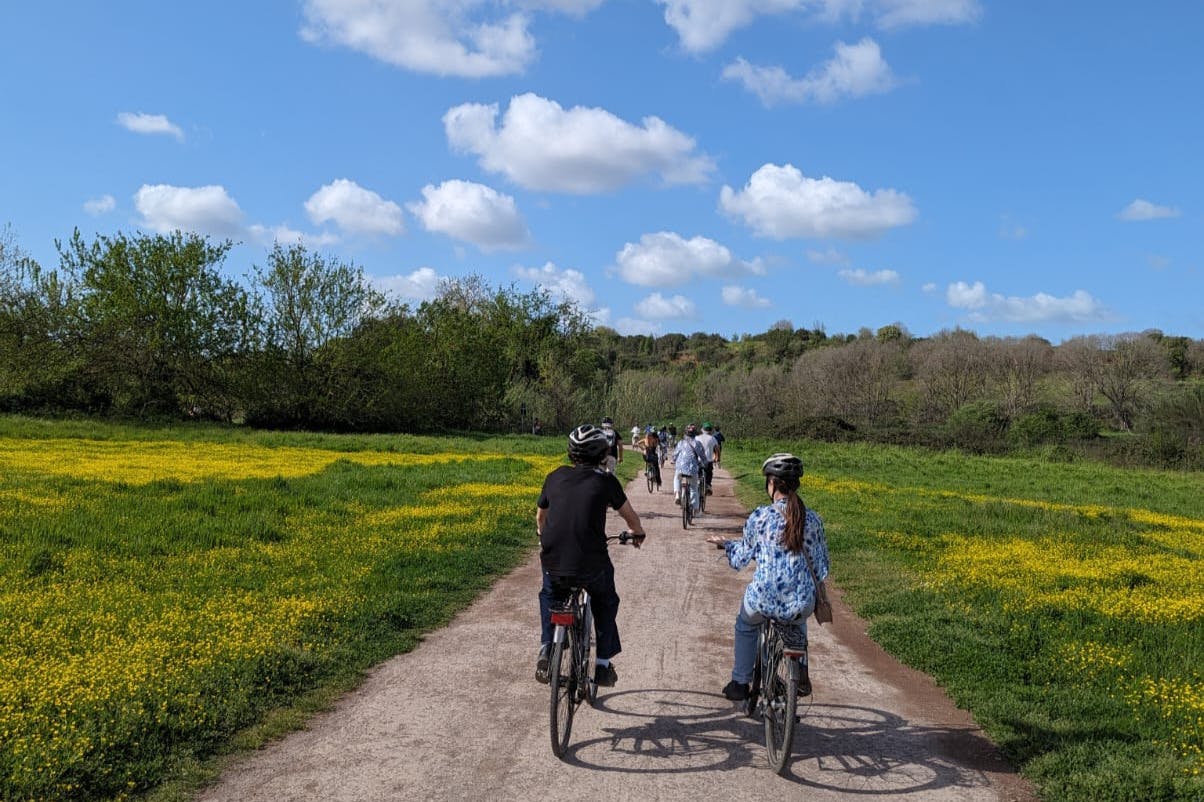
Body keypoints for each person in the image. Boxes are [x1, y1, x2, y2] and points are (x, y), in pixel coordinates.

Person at [706, 452, 829, 701]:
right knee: (797, 617)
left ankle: (740, 681)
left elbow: (742, 557)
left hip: (763, 599)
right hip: (801, 603)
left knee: (746, 625)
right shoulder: (813, 519)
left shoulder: (761, 517)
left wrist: (727, 545)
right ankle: (800, 668)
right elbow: (821, 565)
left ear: (771, 484)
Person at [536, 424, 647, 687]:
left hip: (552, 559)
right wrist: (637, 533)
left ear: (571, 453)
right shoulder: (606, 481)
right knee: (606, 601)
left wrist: (544, 537)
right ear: (602, 453)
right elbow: (630, 517)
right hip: (591, 564)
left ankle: (546, 647)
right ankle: (603, 665)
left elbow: (541, 517)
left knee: (550, 595)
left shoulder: (554, 476)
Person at [672, 424, 706, 513]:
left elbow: (675, 454)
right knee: (693, 488)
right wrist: (705, 463)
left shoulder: (681, 442)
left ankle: (677, 494)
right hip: (692, 469)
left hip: (680, 468)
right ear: (695, 434)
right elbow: (702, 456)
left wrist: (674, 460)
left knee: (677, 478)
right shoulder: (697, 443)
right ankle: (695, 507)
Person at [696, 422, 719, 495]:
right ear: (711, 430)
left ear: (702, 429)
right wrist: (717, 458)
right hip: (708, 461)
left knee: (697, 473)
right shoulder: (713, 438)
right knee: (709, 473)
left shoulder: (697, 438)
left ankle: (697, 483)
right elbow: (717, 449)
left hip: (698, 460)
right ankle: (708, 485)